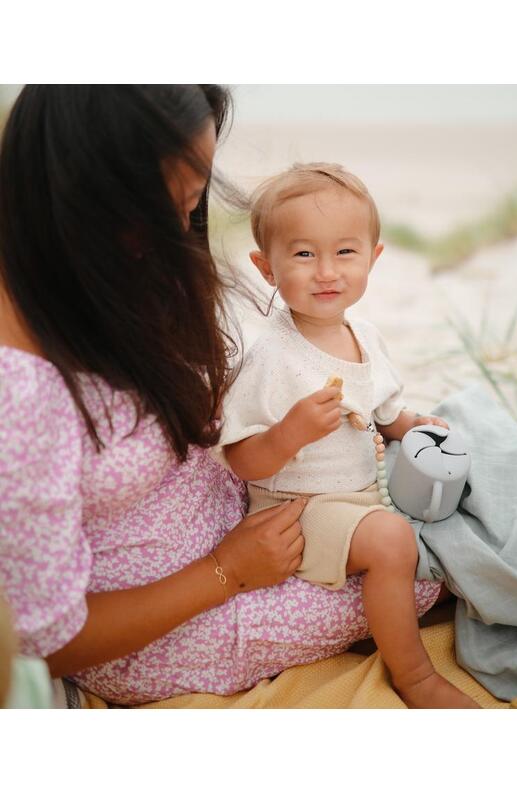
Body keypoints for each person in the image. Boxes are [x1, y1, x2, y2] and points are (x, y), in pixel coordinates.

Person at [0, 85, 445, 707]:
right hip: (168, 621)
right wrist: (228, 571)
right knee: (423, 564)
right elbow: (45, 639)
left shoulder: (98, 279)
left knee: (437, 469)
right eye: (170, 207)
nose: (183, 230)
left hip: (250, 508)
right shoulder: (20, 390)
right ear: (84, 193)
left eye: (195, 200)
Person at [220, 162, 517, 707]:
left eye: (346, 252)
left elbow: (383, 412)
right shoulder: (272, 359)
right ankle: (415, 675)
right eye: (304, 254)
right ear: (267, 267)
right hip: (303, 507)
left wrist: (412, 426)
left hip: (364, 484)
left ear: (374, 258)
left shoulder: (364, 334)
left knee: (472, 464)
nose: (327, 271)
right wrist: (288, 435)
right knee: (392, 539)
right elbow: (240, 459)